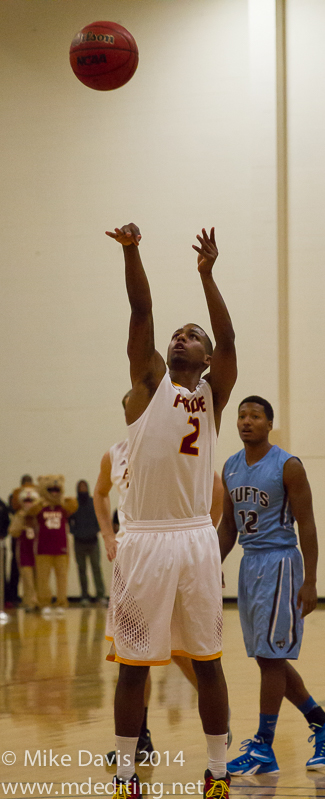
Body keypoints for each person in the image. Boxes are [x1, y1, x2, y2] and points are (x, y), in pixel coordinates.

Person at [102, 221, 237, 799]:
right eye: (177, 334)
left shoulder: (213, 392)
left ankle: (218, 771)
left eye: (192, 336)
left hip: (194, 538)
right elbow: (140, 314)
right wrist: (134, 253)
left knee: (207, 661)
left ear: (206, 358)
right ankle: (128, 776)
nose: (181, 339)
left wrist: (208, 276)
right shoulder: (148, 382)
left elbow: (231, 343)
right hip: (144, 538)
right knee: (134, 665)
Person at [93, 395, 225, 763]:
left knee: (189, 653)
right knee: (133, 657)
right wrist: (107, 534)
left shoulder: (177, 441)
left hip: (180, 556)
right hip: (137, 562)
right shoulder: (114, 454)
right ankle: (141, 738)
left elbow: (216, 491)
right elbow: (99, 494)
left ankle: (219, 727)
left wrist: (205, 542)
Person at [218, 395, 325, 776]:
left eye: (255, 416)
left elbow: (308, 525)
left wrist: (311, 580)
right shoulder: (230, 466)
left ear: (269, 424)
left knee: (272, 657)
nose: (247, 421)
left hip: (281, 562)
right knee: (268, 657)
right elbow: (228, 526)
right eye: (241, 415)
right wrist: (211, 564)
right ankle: (321, 723)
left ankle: (264, 746)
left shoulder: (288, 466)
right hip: (251, 566)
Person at [69, 480, 106, 606]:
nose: (83, 489)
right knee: (82, 570)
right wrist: (74, 532)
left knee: (96, 568)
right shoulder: (73, 504)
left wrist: (96, 530)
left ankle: (100, 596)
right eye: (80, 487)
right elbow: (69, 520)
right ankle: (84, 595)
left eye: (85, 486)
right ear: (77, 489)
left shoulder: (93, 502)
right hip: (79, 542)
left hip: (93, 541)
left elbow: (100, 517)